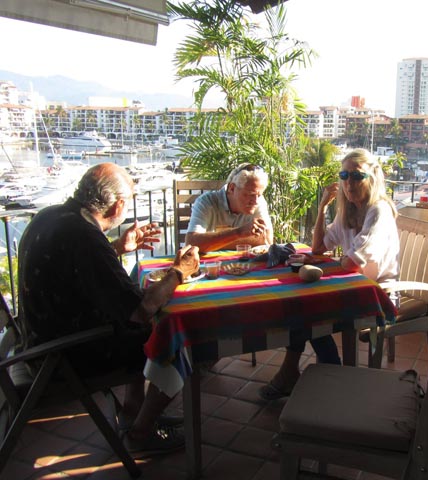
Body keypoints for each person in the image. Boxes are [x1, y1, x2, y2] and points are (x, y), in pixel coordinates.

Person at [18, 163, 201, 456]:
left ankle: (132, 411)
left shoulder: (51, 216)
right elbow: (141, 309)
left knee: (142, 329)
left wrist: (116, 247)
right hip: (62, 358)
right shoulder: (84, 236)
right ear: (117, 205)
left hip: (39, 342)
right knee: (170, 341)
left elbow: (75, 269)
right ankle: (141, 432)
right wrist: (179, 272)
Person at [258, 148, 399, 400]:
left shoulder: (378, 210)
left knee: (307, 309)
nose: (349, 183)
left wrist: (337, 261)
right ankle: (326, 371)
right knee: (304, 305)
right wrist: (323, 207)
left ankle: (317, 373)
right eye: (344, 176)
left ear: (372, 178)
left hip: (377, 294)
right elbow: (318, 248)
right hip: (353, 286)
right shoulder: (349, 210)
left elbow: (352, 262)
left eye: (357, 176)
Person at [185, 163, 273, 252]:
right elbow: (191, 243)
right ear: (232, 188)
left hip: (245, 260)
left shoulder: (259, 201)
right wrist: (239, 233)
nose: (256, 201)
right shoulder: (206, 202)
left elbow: (267, 240)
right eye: (250, 194)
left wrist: (212, 242)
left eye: (259, 195)